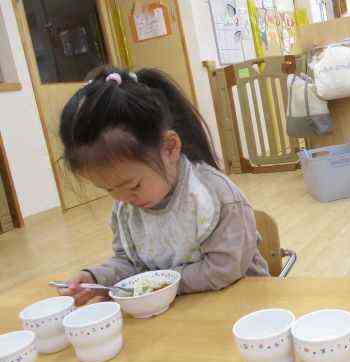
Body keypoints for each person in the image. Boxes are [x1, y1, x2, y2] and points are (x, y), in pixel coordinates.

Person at [57, 67, 269, 305]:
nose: (124, 199)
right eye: (109, 190)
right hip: (178, 311)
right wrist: (97, 279)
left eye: (133, 185)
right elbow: (130, 262)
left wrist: (158, 284)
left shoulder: (215, 197)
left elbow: (224, 269)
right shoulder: (126, 205)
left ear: (169, 148)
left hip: (242, 305)